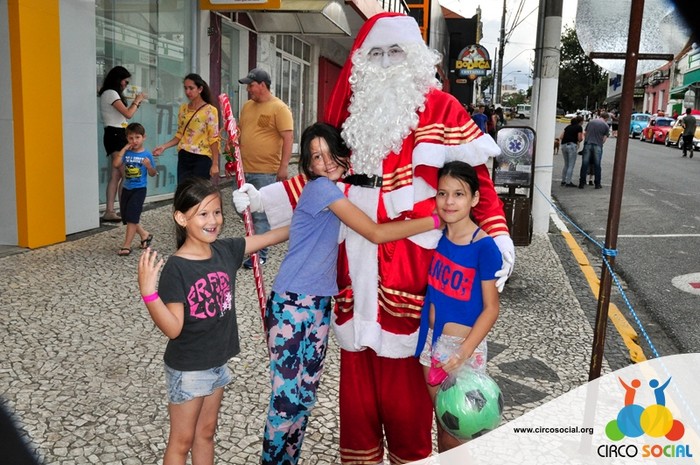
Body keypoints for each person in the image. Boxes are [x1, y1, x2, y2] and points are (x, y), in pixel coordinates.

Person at [233, 13, 514, 464]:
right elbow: (320, 179)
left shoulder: (443, 110)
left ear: (416, 57)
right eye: (376, 53)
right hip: (355, 270)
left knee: (408, 395)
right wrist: (262, 198)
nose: (385, 62)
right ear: (362, 61)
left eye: (395, 52)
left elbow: (475, 184)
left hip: (414, 272)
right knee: (358, 394)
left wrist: (496, 241)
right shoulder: (352, 116)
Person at [258, 123, 441, 465]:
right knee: (286, 401)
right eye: (316, 157)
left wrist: (245, 244)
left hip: (318, 306)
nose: (326, 162)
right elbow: (374, 233)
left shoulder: (337, 189)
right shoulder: (322, 189)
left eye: (330, 153)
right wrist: (434, 221)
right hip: (292, 304)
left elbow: (294, 228)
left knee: (303, 398)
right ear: (308, 165)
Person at [137, 177, 288, 465]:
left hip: (217, 362)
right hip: (189, 369)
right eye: (203, 214)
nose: (213, 220)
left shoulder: (225, 250)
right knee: (181, 442)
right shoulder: (177, 268)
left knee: (206, 434)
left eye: (217, 212)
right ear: (181, 218)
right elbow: (173, 328)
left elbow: (269, 238)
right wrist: (149, 294)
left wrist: (307, 220)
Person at [416, 161, 501, 452]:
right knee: (443, 423)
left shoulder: (484, 247)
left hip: (463, 351)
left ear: (475, 199)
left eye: (459, 194)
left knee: (459, 434)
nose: (449, 201)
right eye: (442, 193)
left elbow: (491, 308)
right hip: (432, 344)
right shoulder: (436, 237)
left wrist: (463, 352)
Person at [237, 68, 294, 269]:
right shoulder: (247, 107)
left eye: (251, 85)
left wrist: (283, 167)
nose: (248, 89)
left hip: (266, 171)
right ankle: (257, 241)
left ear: (262, 85)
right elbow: (241, 130)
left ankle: (259, 254)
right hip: (244, 168)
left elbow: (288, 138)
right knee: (243, 209)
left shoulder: (279, 108)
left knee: (260, 214)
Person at [98, 65, 147, 222]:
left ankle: (110, 210)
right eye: (125, 81)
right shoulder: (111, 93)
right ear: (118, 80)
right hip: (116, 134)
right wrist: (137, 101)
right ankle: (126, 210)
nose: (126, 85)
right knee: (127, 174)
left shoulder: (108, 93)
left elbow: (125, 115)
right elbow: (128, 114)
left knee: (116, 175)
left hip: (116, 134)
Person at [153, 74, 220, 184]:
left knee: (198, 190)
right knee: (183, 190)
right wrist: (164, 146)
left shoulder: (210, 110)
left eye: (191, 88)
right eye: (185, 88)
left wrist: (215, 164)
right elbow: (180, 134)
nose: (187, 92)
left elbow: (213, 138)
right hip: (184, 155)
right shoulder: (183, 108)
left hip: (202, 157)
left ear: (200, 89)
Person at [113, 123, 158, 256]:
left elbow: (153, 173)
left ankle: (126, 245)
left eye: (137, 137)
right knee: (127, 217)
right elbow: (116, 164)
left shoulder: (147, 154)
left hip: (139, 189)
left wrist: (149, 166)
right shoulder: (126, 153)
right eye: (131, 138)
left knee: (132, 218)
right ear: (127, 138)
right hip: (126, 188)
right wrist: (124, 149)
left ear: (144, 137)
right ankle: (145, 235)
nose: (134, 141)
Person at [578, 111, 610, 189]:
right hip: (597, 145)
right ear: (606, 118)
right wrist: (600, 143)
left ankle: (582, 183)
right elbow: (604, 139)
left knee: (585, 164)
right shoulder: (606, 125)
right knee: (597, 165)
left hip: (588, 144)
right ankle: (597, 184)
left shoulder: (591, 122)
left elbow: (585, 133)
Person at [559, 116, 583, 187]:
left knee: (566, 164)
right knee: (571, 165)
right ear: (580, 121)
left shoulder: (567, 127)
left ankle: (563, 180)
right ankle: (568, 182)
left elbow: (561, 137)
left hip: (564, 145)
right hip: (572, 146)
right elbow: (579, 138)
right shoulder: (579, 127)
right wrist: (579, 140)